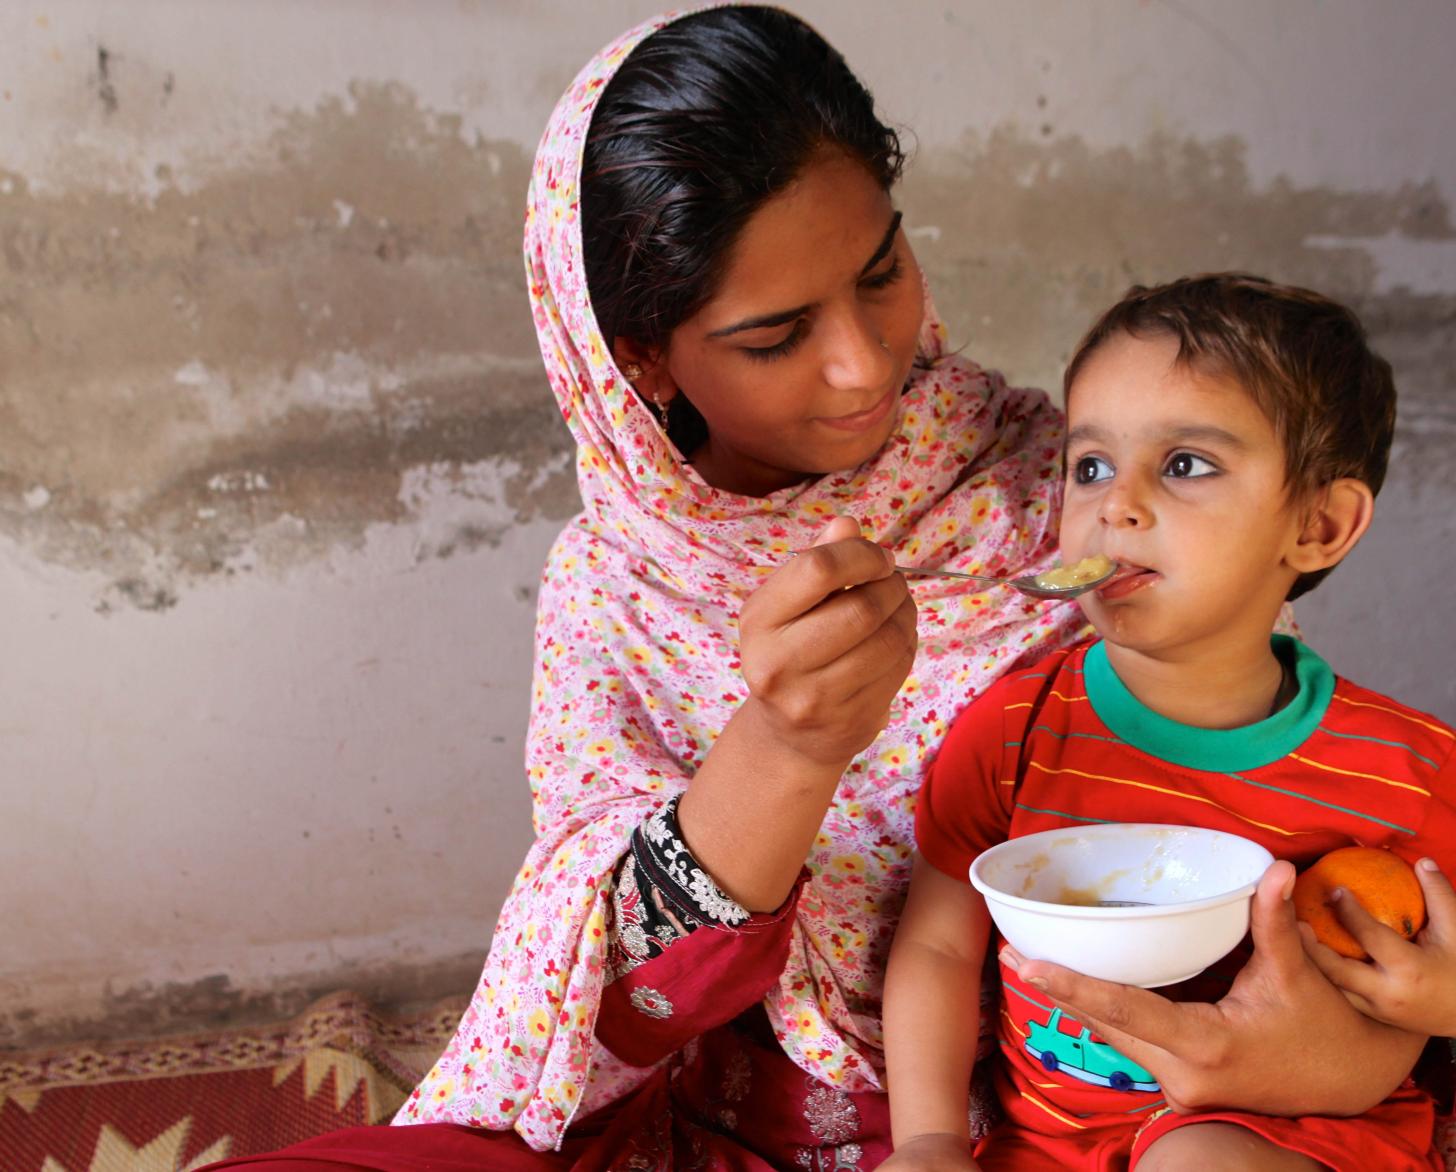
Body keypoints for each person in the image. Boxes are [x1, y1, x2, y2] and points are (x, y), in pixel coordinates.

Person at [882, 273, 1456, 1170]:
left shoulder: (1411, 766)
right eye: (1091, 466)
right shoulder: (1015, 731)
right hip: (1051, 1147)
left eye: (1185, 464)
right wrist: (927, 1141)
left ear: (1318, 525)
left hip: (1288, 1131)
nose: (1118, 504)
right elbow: (937, 946)